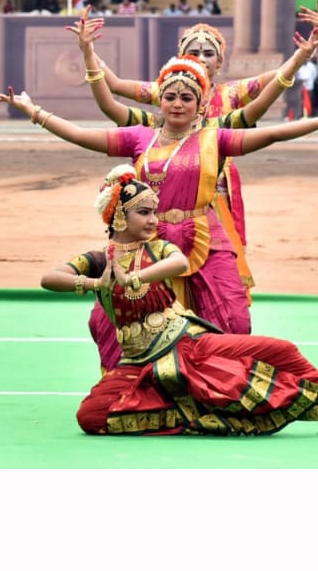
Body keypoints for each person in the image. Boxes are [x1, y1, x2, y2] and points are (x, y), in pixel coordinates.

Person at [0, 54, 318, 371]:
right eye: (171, 96)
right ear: (160, 101)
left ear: (200, 104)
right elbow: (79, 135)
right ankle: (139, 382)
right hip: (147, 241)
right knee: (112, 318)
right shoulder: (139, 137)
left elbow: (274, 133)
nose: (178, 103)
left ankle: (224, 383)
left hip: (206, 239)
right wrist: (33, 112)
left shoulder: (214, 139)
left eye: (187, 97)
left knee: (231, 317)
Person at [47, 164, 318, 435]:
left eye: (154, 212)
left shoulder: (160, 249)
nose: (153, 220)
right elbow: (50, 277)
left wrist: (132, 278)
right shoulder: (98, 260)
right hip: (139, 361)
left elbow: (178, 263)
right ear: (119, 215)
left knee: (281, 350)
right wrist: (96, 283)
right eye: (143, 213)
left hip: (187, 342)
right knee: (91, 416)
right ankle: (193, 413)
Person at [74, 13, 318, 307]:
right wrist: (87, 50)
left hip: (216, 189)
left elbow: (275, 85)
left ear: (220, 61)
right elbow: (112, 92)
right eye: (193, 52)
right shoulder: (168, 93)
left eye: (208, 53)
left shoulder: (232, 95)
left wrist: (302, 56)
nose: (201, 57)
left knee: (221, 263)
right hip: (164, 187)